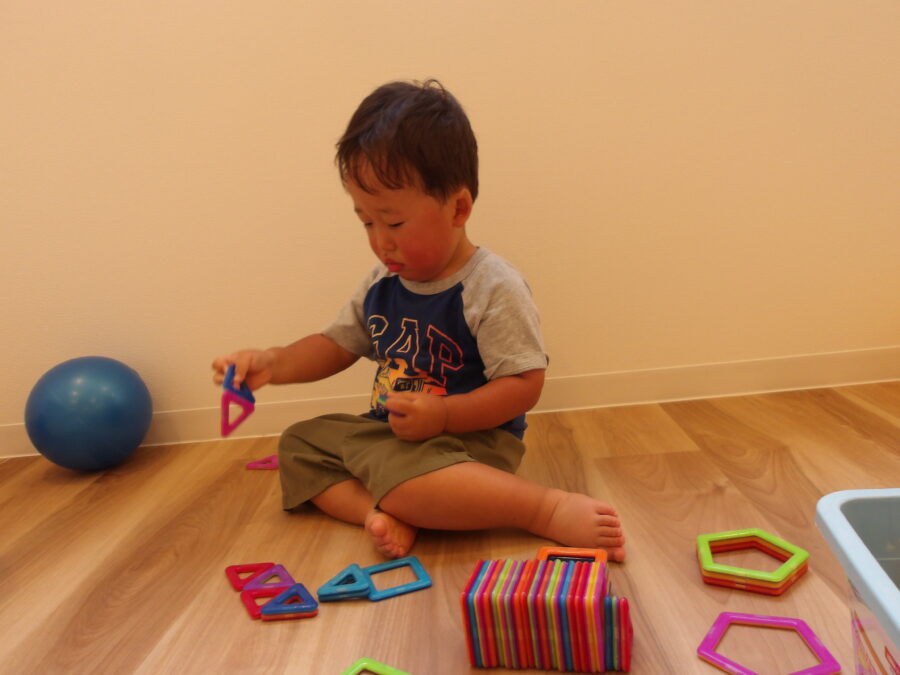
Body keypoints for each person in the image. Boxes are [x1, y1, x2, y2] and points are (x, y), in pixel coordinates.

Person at [212, 80, 625, 561]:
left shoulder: (492, 286)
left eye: (393, 222)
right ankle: (378, 512)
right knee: (299, 444)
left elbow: (523, 385)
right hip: (393, 438)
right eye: (367, 222)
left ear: (458, 208)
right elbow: (335, 345)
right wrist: (273, 363)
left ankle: (543, 509)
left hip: (468, 447)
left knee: (404, 471)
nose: (380, 241)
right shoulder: (381, 283)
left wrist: (445, 415)